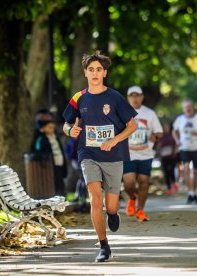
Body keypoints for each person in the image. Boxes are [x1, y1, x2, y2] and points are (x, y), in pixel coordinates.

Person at [62, 51, 137, 262]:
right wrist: (71, 131)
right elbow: (66, 124)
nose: (95, 73)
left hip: (113, 155)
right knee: (95, 197)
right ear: (85, 73)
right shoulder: (79, 98)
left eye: (99, 69)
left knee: (110, 205)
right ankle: (104, 246)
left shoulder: (115, 97)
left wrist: (115, 139)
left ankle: (113, 213)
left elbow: (132, 125)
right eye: (91, 69)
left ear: (104, 72)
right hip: (88, 153)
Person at [123, 86, 163, 221]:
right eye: (132, 95)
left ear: (142, 97)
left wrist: (155, 137)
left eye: (137, 95)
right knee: (129, 183)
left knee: (144, 182)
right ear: (128, 98)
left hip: (146, 153)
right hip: (128, 153)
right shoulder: (121, 112)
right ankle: (132, 198)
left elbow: (159, 131)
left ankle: (140, 210)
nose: (135, 98)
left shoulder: (150, 113)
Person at [172, 99, 197, 204]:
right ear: (183, 109)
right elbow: (174, 131)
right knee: (186, 168)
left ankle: (194, 191)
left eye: (189, 106)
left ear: (193, 107)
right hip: (184, 148)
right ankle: (190, 192)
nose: (187, 108)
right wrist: (177, 140)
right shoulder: (180, 119)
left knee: (196, 171)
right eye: (185, 107)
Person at [31, 119, 67, 196]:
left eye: (52, 127)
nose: (52, 129)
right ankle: (56, 199)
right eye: (49, 127)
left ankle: (62, 199)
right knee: (54, 184)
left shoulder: (55, 137)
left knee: (60, 183)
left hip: (59, 164)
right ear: (43, 128)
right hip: (49, 166)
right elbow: (37, 150)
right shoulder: (41, 139)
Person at [156, 121, 180, 196]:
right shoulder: (161, 135)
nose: (166, 128)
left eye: (168, 126)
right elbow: (157, 145)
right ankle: (169, 188)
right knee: (166, 172)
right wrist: (159, 146)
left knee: (171, 170)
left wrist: (175, 150)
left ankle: (173, 183)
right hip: (163, 156)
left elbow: (176, 143)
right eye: (165, 127)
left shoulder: (172, 135)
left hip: (172, 156)